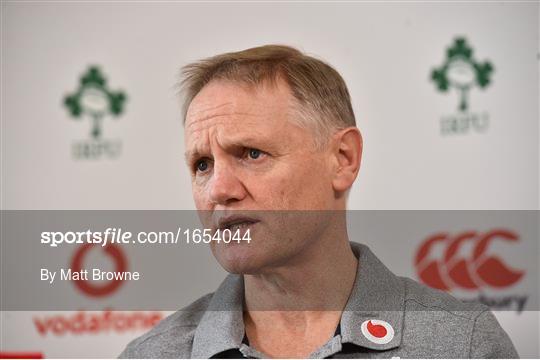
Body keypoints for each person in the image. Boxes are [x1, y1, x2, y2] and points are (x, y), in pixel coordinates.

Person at [119, 45, 518, 358]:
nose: (219, 189)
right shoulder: (151, 355)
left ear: (342, 159)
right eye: (202, 164)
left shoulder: (461, 345)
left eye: (252, 154)